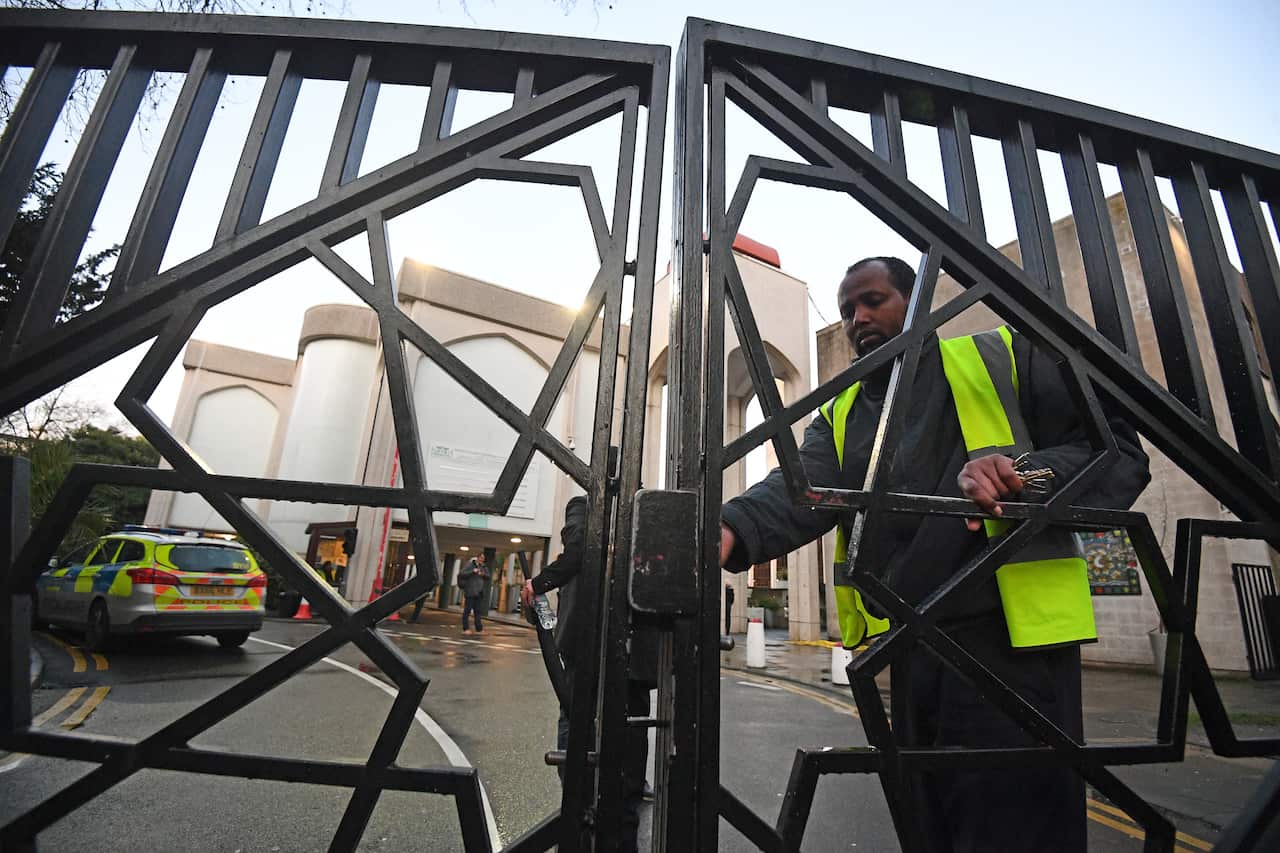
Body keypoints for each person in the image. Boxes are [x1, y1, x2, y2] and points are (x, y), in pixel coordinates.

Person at [718, 256, 1150, 853]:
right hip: (912, 647)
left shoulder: (999, 357)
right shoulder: (844, 411)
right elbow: (796, 489)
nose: (857, 318)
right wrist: (729, 528)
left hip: (1012, 648)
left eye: (873, 301)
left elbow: (1115, 451)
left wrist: (1024, 474)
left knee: (1019, 826)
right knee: (932, 821)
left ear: (916, 301)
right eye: (847, 310)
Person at [522, 495, 654, 851]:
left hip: (588, 639)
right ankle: (624, 812)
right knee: (632, 724)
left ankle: (579, 803)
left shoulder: (582, 505)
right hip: (635, 642)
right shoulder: (645, 507)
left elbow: (580, 550)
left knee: (575, 714)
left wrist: (539, 583)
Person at [458, 551, 489, 634]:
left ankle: (479, 629)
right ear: (478, 557)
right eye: (481, 558)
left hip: (479, 592)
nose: (482, 560)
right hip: (470, 591)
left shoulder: (484, 567)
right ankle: (465, 628)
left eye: (483, 559)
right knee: (467, 611)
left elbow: (488, 576)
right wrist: (472, 571)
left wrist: (482, 574)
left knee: (478, 611)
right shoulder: (470, 565)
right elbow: (462, 574)